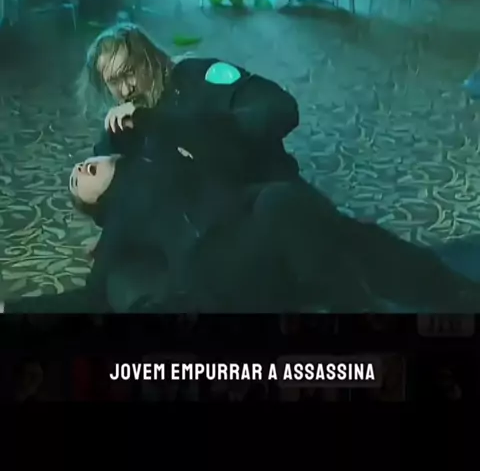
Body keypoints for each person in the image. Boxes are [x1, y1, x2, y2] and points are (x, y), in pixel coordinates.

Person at [4, 107, 480, 315]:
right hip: (215, 261)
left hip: (250, 217)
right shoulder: (120, 218)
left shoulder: (157, 147)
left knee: (346, 231)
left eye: (78, 167)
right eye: (77, 184)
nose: (78, 171)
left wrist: (148, 118)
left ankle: (453, 289)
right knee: (283, 203)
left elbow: (217, 139)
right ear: (96, 203)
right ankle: (357, 306)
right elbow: (92, 296)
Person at [77, 21, 300, 183]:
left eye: (131, 71)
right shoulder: (126, 121)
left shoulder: (196, 76)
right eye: (114, 82)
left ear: (149, 59)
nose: (127, 89)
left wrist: (207, 133)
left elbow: (280, 107)